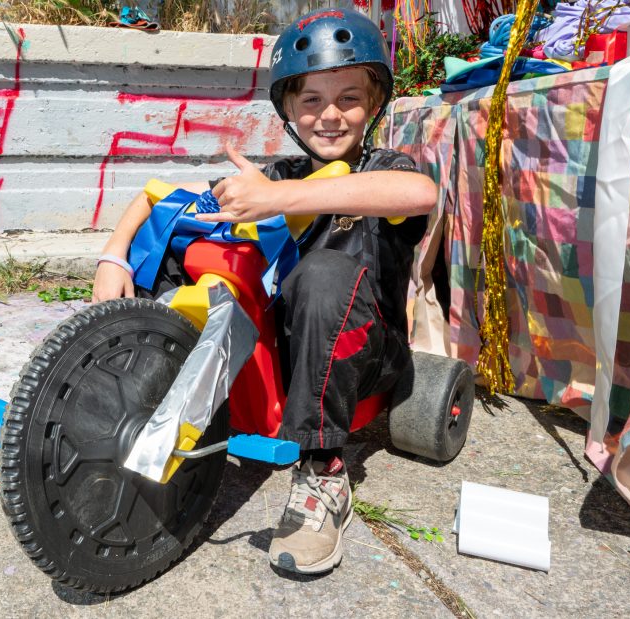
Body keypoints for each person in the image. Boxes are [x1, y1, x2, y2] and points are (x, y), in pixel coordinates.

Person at [91, 8, 437, 575]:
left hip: (364, 355)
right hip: (280, 351)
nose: (330, 115)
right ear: (289, 111)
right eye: (311, 101)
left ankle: (323, 471)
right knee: (199, 251)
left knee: (324, 272)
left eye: (349, 98)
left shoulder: (382, 167)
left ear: (373, 105)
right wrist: (114, 255)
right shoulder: (276, 174)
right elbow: (162, 197)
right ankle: (140, 384)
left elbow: (418, 193)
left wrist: (281, 201)